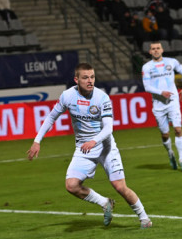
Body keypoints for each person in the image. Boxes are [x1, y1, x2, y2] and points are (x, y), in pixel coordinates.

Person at [27, 62, 152, 228]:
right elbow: (51, 117)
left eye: (92, 77)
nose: (90, 81)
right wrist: (37, 141)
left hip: (105, 147)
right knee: (71, 186)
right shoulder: (67, 96)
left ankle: (144, 219)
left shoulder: (102, 98)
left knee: (120, 186)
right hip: (83, 147)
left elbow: (108, 128)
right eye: (85, 77)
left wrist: (94, 141)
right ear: (76, 79)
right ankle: (105, 203)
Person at [141, 41, 182, 171]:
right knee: (165, 134)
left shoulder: (171, 62)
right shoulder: (147, 67)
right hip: (158, 105)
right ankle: (170, 153)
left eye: (158, 48)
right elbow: (147, 87)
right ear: (150, 52)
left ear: (162, 50)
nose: (156, 50)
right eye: (153, 49)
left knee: (178, 130)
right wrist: (161, 93)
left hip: (173, 101)